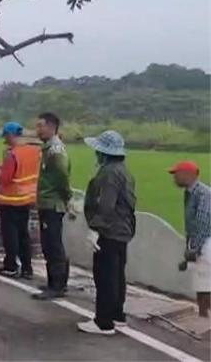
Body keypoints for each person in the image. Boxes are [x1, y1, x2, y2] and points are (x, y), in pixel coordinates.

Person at [79, 130, 136, 336]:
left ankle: (103, 321)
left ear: (104, 153)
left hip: (110, 231)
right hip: (123, 230)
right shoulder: (124, 171)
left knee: (104, 276)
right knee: (117, 274)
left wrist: (95, 229)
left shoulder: (108, 173)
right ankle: (117, 315)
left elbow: (106, 204)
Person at [0, 122, 39, 280]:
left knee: (10, 235)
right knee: (24, 235)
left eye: (6, 137)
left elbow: (5, 179)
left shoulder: (12, 155)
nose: (5, 141)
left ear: (10, 135)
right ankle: (27, 268)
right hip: (26, 199)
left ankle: (11, 266)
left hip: (10, 200)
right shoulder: (32, 151)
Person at [32, 112, 72, 300]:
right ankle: (52, 282)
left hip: (53, 204)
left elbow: (62, 178)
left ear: (51, 127)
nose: (37, 130)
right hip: (46, 202)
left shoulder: (55, 150)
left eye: (41, 126)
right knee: (48, 244)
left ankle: (58, 285)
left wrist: (66, 198)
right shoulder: (47, 148)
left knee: (53, 244)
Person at [169, 160, 211, 318]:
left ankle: (205, 318)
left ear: (188, 175)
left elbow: (203, 223)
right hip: (202, 244)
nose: (174, 178)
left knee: (206, 283)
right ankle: (203, 316)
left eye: (176, 174)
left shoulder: (204, 194)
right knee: (202, 283)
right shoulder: (190, 193)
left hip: (207, 243)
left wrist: (194, 250)